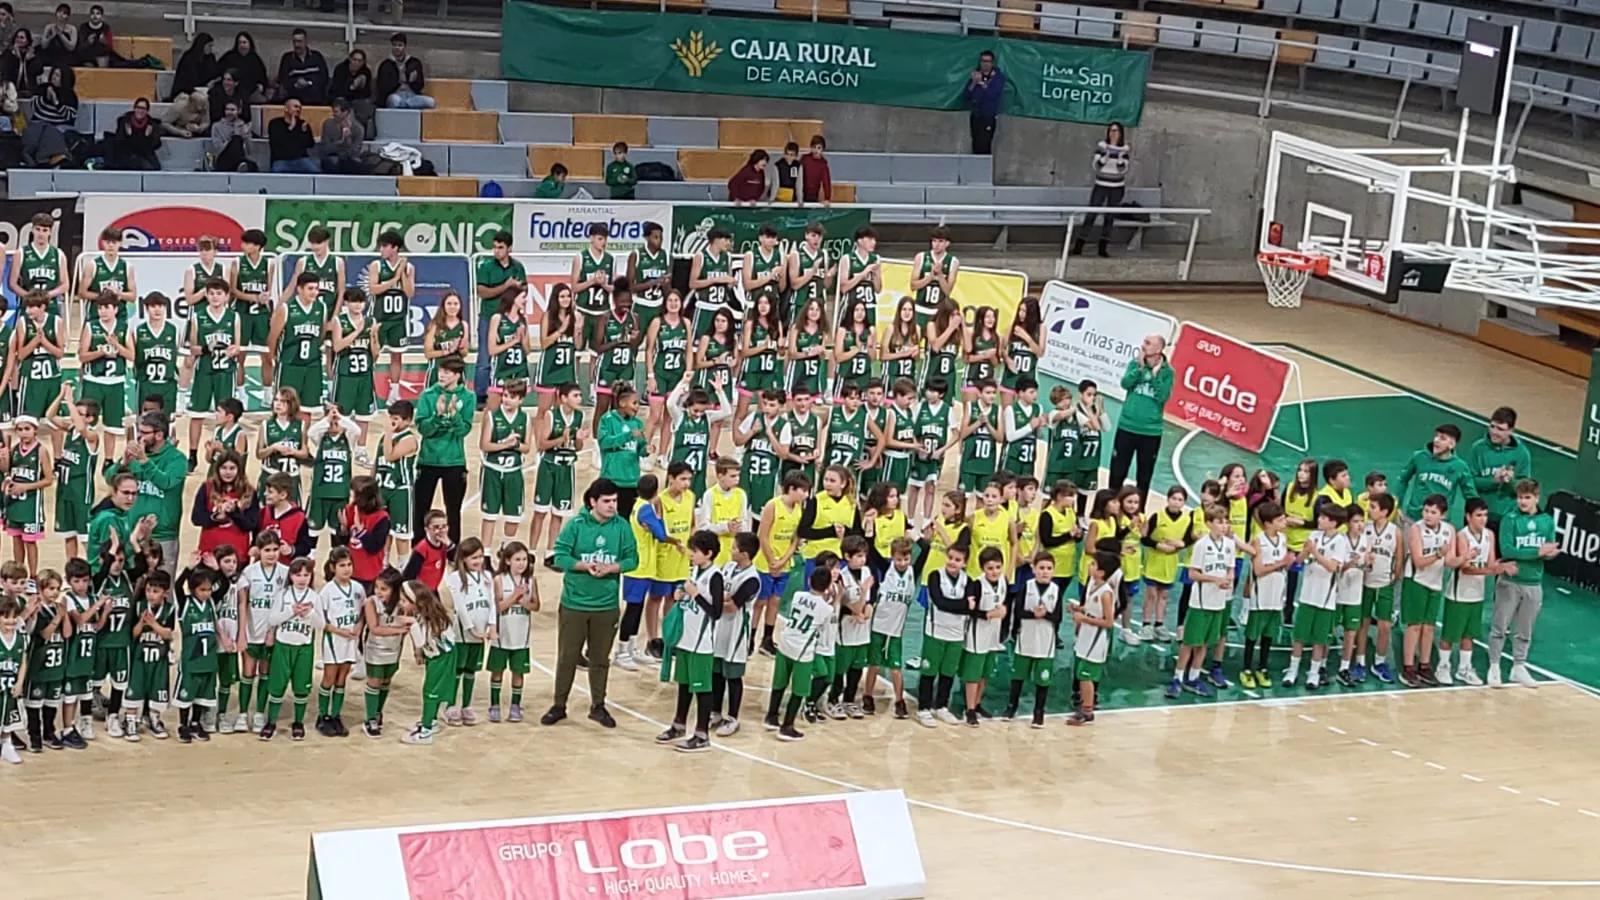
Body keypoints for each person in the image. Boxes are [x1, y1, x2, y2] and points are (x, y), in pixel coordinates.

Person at [543, 478, 638, 730]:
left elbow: (633, 559)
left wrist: (612, 567)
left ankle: (598, 705)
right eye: (606, 501)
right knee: (567, 657)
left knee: (600, 658)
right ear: (592, 502)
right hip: (574, 602)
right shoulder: (575, 525)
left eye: (615, 501)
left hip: (606, 605)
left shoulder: (622, 526)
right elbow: (559, 556)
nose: (612, 506)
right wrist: (585, 566)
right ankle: (559, 705)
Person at [656, 530, 723, 753]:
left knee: (702, 689)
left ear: (709, 553)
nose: (691, 554)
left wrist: (694, 594)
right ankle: (678, 725)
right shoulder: (695, 570)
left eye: (695, 551)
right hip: (686, 638)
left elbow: (716, 612)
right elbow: (688, 593)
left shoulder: (715, 576)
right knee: (684, 685)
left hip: (701, 644)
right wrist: (680, 593)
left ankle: (702, 734)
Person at [1490, 478, 1559, 688]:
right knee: (1499, 627)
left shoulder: (1546, 521)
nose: (1523, 502)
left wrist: (1549, 555)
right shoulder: (1509, 519)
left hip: (1533, 582)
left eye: (1527, 498)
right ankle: (1494, 666)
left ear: (1536, 498)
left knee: (1525, 630)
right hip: (1510, 581)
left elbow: (1549, 548)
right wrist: (1538, 552)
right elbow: (1508, 550)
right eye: (1520, 497)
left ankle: (1519, 667)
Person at [106, 411, 187, 570]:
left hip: (162, 536)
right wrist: (123, 463)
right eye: (139, 431)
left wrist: (144, 461)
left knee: (162, 587)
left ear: (159, 435)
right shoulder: (135, 458)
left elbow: (166, 482)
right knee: (133, 586)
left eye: (145, 433)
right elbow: (110, 479)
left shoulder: (177, 459)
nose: (140, 437)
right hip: (133, 533)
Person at [763, 563, 833, 742]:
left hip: (785, 642)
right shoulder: (827, 609)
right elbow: (824, 627)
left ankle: (771, 717)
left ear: (809, 581)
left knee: (779, 682)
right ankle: (787, 726)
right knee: (799, 690)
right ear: (828, 587)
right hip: (803, 650)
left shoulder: (797, 595)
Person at [414, 356, 475, 546]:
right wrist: (437, 416)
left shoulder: (468, 397)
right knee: (421, 508)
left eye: (447, 372)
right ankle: (419, 545)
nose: (442, 375)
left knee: (453, 510)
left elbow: (463, 430)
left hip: (454, 461)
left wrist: (454, 416)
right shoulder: (428, 395)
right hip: (428, 459)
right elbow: (423, 429)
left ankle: (452, 548)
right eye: (441, 370)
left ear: (457, 375)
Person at [259, 557, 321, 741]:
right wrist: (291, 612)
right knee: (276, 686)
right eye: (298, 574)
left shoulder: (315, 597)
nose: (302, 579)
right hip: (283, 645)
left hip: (304, 647)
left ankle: (298, 722)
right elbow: (272, 620)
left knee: (301, 687)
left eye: (306, 575)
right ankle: (271, 722)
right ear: (291, 576)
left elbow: (321, 624)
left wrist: (309, 614)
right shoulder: (283, 594)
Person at [1107, 335, 1172, 501]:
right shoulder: (1134, 364)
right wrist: (1140, 369)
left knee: (1144, 477)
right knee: (1117, 472)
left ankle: (1138, 515)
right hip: (1127, 426)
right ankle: (1111, 509)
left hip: (1150, 432)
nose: (1142, 345)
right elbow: (1125, 383)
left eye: (1148, 343)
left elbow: (1163, 397)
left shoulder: (1168, 372)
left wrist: (1156, 376)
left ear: (1159, 350)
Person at [487, 542, 537, 723]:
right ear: (507, 561)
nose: (522, 563)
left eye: (524, 559)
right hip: (501, 637)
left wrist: (525, 602)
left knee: (518, 672)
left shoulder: (531, 581)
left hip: (521, 638)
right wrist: (515, 595)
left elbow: (535, 605)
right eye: (517, 559)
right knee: (497, 671)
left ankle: (515, 706)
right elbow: (498, 607)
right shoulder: (499, 580)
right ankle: (494, 705)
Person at [474, 231, 525, 400]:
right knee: (484, 358)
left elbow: (524, 290)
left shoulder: (518, 267)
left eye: (501, 247)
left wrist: (518, 289)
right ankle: (481, 396)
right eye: (495, 247)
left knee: (510, 354)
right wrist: (506, 286)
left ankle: (509, 392)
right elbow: (482, 292)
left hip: (510, 319)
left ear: (509, 248)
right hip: (489, 316)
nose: (497, 251)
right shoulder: (486, 267)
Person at [1467, 407, 1531, 535]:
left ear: (1511, 431)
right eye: (1492, 426)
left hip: (1505, 517)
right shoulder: (1478, 449)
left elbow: (1525, 490)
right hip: (1477, 515)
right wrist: (1493, 481)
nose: (1494, 432)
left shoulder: (1522, 453)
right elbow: (1469, 482)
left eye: (1500, 429)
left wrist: (1510, 482)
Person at [1073, 123, 1130, 257]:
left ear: (1121, 133)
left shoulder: (1125, 149)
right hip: (1101, 185)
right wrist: (1106, 156)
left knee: (1109, 217)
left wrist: (1120, 157)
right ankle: (1079, 245)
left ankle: (1103, 247)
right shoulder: (1101, 146)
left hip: (1116, 187)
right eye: (1111, 131)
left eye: (1116, 131)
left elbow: (1123, 169)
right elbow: (1096, 166)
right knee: (1091, 214)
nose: (1113, 133)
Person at [596, 382, 648, 517]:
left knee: (627, 521)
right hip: (612, 479)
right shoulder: (607, 420)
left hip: (632, 481)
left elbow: (640, 448)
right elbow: (604, 443)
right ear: (622, 403)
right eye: (634, 403)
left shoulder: (638, 423)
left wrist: (646, 449)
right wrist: (628, 435)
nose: (637, 407)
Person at [376, 32, 434, 109]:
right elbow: (382, 88)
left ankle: (406, 104)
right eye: (394, 45)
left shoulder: (414, 62)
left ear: (405, 47)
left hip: (411, 95)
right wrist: (397, 82)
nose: (397, 48)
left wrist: (413, 81)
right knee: (394, 101)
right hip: (395, 94)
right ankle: (406, 105)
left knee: (430, 101)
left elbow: (420, 86)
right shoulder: (386, 65)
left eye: (400, 45)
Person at [964, 50, 1004, 155]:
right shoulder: (976, 75)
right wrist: (974, 82)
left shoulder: (997, 78)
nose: (985, 64)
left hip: (988, 116)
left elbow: (993, 94)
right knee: (976, 144)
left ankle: (984, 169)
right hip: (976, 115)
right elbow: (967, 95)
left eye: (988, 61)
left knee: (984, 145)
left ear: (992, 63)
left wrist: (981, 83)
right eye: (983, 61)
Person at [329, 47, 375, 139]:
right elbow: (338, 90)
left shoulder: (366, 72)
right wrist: (352, 87)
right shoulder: (340, 69)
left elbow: (367, 93)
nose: (356, 63)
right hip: (341, 98)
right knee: (343, 105)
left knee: (364, 105)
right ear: (350, 59)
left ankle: (362, 133)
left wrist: (358, 86)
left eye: (359, 61)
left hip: (357, 100)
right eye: (354, 60)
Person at [276, 28, 328, 105]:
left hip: (315, 98)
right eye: (294, 42)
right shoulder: (287, 58)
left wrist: (308, 83)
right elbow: (283, 79)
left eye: (299, 41)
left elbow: (324, 78)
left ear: (306, 42)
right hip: (294, 97)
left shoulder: (317, 56)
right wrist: (295, 84)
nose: (297, 45)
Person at [267, 98, 318, 174]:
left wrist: (304, 133)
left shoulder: (303, 124)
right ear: (286, 109)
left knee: (316, 172)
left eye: (300, 108)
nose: (298, 109)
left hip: (301, 159)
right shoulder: (275, 123)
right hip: (281, 160)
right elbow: (277, 142)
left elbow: (310, 144)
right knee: (276, 171)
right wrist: (291, 127)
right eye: (295, 106)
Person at [317, 97, 367, 174]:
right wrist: (340, 142)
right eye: (333, 111)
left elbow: (354, 152)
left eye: (336, 112)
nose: (333, 114)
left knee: (356, 165)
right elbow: (326, 149)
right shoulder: (328, 124)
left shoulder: (358, 129)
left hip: (349, 159)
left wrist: (348, 140)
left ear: (345, 112)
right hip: (331, 157)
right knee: (331, 162)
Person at [109, 97, 161, 170]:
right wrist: (127, 136)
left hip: (145, 154)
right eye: (138, 107)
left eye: (143, 108)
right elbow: (118, 142)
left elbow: (156, 144)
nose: (140, 111)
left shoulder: (152, 124)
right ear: (134, 109)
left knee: (154, 168)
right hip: (127, 154)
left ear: (147, 111)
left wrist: (148, 137)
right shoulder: (125, 121)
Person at [217, 32, 267, 102]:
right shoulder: (229, 57)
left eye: (244, 42)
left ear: (250, 44)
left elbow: (262, 77)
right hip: (231, 91)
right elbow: (219, 73)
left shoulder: (255, 59)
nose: (242, 45)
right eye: (239, 43)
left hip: (251, 92)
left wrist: (261, 85)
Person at [208, 98, 255, 171]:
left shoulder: (243, 126)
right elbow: (218, 148)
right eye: (227, 109)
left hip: (241, 158)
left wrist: (245, 137)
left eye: (232, 110)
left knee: (253, 166)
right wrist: (235, 136)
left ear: (239, 111)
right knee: (236, 139)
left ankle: (241, 166)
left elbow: (249, 151)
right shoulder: (217, 126)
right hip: (223, 159)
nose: (229, 112)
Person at [800, 134, 832, 205]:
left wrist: (827, 198)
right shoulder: (805, 159)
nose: (816, 150)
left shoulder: (823, 165)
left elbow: (826, 182)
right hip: (800, 194)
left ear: (822, 149)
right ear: (811, 147)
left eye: (819, 148)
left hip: (813, 196)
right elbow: (798, 177)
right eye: (814, 147)